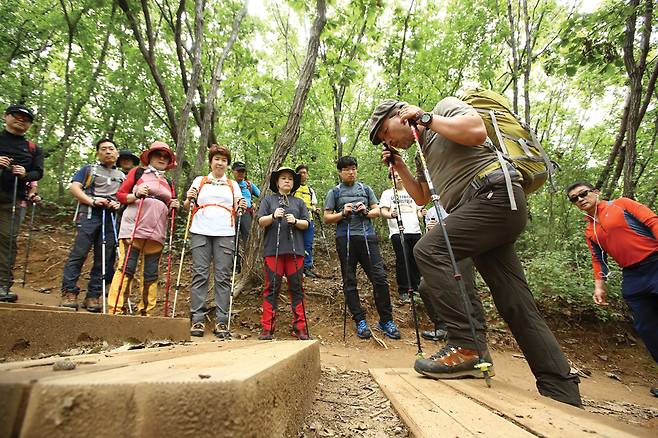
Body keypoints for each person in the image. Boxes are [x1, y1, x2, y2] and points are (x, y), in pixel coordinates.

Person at [370, 98, 581, 407]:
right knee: (514, 301)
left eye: (385, 132)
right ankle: (561, 389)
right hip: (478, 214)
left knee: (429, 249)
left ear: (400, 114)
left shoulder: (444, 109)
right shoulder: (423, 151)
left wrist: (427, 118)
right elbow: (421, 197)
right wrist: (399, 165)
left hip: (494, 195)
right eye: (384, 141)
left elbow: (476, 132)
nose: (387, 141)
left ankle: (467, 346)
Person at [567, 181, 658, 397]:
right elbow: (598, 259)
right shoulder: (590, 230)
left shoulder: (622, 204)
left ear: (596, 192)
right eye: (574, 198)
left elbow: (653, 222)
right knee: (648, 329)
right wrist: (599, 287)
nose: (580, 199)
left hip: (655, 263)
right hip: (633, 276)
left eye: (583, 194)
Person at [324, 156, 400, 340]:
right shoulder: (334, 192)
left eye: (353, 168)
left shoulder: (366, 189)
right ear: (340, 172)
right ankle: (360, 321)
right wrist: (343, 213)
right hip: (346, 239)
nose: (351, 172)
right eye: (347, 169)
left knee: (380, 278)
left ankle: (386, 320)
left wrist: (365, 211)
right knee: (350, 281)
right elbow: (327, 217)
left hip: (368, 238)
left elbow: (377, 211)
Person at [107, 142, 179, 316]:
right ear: (150, 157)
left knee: (151, 273)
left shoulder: (168, 181)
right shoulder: (137, 172)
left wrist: (173, 205)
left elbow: (166, 206)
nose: (162, 158)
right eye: (158, 154)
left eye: (165, 156)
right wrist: (137, 194)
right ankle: (116, 310)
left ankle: (145, 313)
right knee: (127, 268)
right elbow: (121, 195)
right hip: (133, 227)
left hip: (156, 232)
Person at [184, 145, 245, 338]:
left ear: (227, 164)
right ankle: (198, 320)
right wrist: (188, 199)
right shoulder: (200, 180)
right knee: (200, 274)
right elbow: (188, 205)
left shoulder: (232, 184)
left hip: (225, 231)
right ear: (210, 162)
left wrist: (241, 204)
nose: (220, 162)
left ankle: (221, 321)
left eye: (224, 160)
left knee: (223, 276)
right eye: (217, 159)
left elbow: (239, 205)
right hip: (200, 230)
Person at [60, 139, 125, 311]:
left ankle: (93, 296)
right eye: (103, 149)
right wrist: (92, 201)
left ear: (117, 153)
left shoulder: (122, 176)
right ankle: (69, 292)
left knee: (104, 259)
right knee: (79, 253)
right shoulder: (88, 170)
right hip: (89, 215)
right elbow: (75, 188)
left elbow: (124, 197)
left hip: (110, 218)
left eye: (111, 149)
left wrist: (118, 204)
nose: (108, 152)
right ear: (97, 153)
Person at [257, 167, 310, 341]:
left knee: (297, 289)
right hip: (273, 250)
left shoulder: (299, 203)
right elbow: (260, 221)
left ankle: (300, 327)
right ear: (277, 182)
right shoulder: (268, 200)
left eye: (290, 179)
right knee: (271, 288)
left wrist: (295, 221)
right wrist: (273, 215)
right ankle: (267, 328)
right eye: (283, 178)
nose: (287, 181)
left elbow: (306, 224)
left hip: (296, 251)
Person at [0, 104, 44, 303]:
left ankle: (2, 285)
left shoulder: (33, 148)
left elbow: (38, 172)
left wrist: (25, 174)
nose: (21, 120)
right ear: (6, 116)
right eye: (16, 116)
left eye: (26, 119)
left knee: (7, 241)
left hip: (13, 199)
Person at [379, 170, 423, 303]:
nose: (398, 178)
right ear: (390, 178)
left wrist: (422, 213)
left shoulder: (412, 192)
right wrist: (391, 215)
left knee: (415, 260)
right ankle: (404, 290)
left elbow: (418, 210)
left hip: (415, 231)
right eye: (395, 176)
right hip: (398, 232)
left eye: (399, 175)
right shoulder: (388, 193)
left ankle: (417, 288)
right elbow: (383, 211)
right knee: (402, 260)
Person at [294, 164, 320, 278]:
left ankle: (307, 267)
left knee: (308, 244)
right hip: (295, 220)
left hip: (309, 220)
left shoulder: (310, 190)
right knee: (295, 243)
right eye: (300, 173)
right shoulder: (293, 188)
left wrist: (316, 210)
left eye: (305, 172)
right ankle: (295, 267)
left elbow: (313, 206)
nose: (303, 175)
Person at [232, 161, 261, 243]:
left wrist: (256, 204)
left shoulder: (249, 185)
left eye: (243, 171)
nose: (241, 173)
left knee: (248, 238)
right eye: (238, 171)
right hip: (232, 214)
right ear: (233, 171)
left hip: (247, 214)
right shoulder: (229, 184)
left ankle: (248, 255)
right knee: (232, 239)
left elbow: (262, 196)